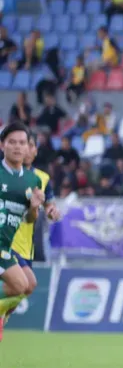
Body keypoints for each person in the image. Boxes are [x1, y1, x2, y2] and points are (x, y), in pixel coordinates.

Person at [5, 141, 59, 332]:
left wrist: (51, 210)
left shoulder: (41, 178)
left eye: (29, 145)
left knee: (25, 288)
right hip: (8, 241)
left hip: (27, 245)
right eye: (20, 144)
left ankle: (3, 320)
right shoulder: (7, 174)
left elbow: (49, 204)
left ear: (35, 151)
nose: (24, 149)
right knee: (28, 283)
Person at [0, 124, 46, 341]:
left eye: (22, 143)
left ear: (29, 148)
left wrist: (35, 207)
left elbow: (29, 219)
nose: (18, 147)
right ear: (3, 145)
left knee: (22, 285)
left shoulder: (32, 181)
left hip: (5, 247)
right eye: (12, 142)